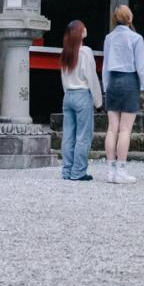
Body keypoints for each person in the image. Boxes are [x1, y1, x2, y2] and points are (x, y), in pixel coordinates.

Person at [100, 4, 144, 184]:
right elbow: (141, 66)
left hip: (113, 81)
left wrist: (105, 88)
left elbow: (105, 65)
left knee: (112, 127)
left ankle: (110, 170)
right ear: (130, 17)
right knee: (125, 129)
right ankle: (121, 170)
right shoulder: (136, 38)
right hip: (129, 81)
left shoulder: (109, 38)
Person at [57, 19, 102, 182]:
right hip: (82, 95)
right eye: (83, 28)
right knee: (83, 135)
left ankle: (67, 170)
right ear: (79, 33)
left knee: (68, 135)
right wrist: (98, 101)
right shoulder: (85, 52)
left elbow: (63, 77)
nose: (85, 29)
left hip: (68, 95)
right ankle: (78, 172)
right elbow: (91, 77)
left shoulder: (66, 52)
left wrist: (67, 94)